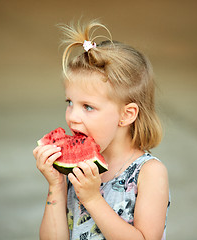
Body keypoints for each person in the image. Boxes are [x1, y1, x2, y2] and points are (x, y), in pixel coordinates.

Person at [33, 19, 170, 240]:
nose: (72, 117)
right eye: (69, 103)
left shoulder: (149, 173)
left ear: (127, 115)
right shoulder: (77, 170)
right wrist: (56, 186)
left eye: (88, 107)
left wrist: (93, 199)